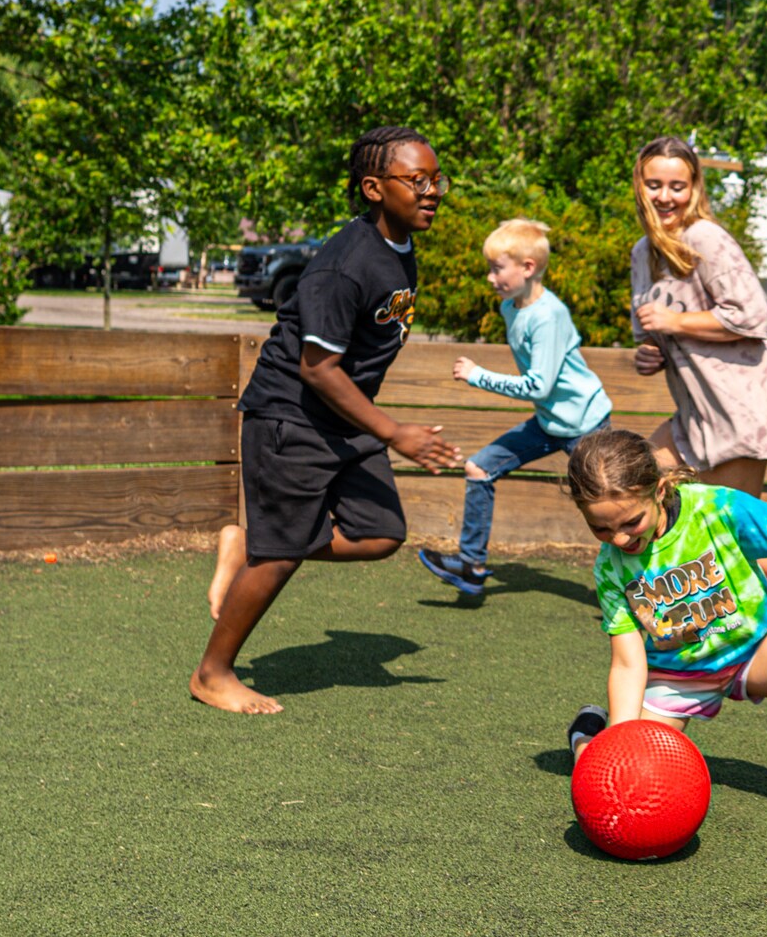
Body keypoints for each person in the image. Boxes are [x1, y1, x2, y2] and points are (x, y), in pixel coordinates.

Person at [195, 127, 462, 715]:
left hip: (343, 421)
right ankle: (213, 673)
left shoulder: (397, 249)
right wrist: (394, 431)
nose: (432, 190)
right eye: (416, 180)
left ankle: (249, 547)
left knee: (381, 533)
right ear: (374, 188)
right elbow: (317, 368)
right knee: (283, 555)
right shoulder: (343, 265)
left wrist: (375, 428)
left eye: (436, 178)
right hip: (291, 417)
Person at [561, 428, 767, 839]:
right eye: (601, 530)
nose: (620, 539)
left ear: (660, 490)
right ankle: (587, 739)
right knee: (627, 771)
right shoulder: (609, 569)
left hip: (754, 650)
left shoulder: (714, 508)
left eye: (631, 522)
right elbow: (628, 662)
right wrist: (624, 745)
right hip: (676, 679)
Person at [416, 217, 613, 597]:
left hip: (586, 424)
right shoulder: (512, 306)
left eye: (496, 268)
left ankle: (646, 581)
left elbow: (539, 384)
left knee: (608, 503)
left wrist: (477, 375)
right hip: (549, 422)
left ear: (528, 268)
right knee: (478, 467)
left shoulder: (548, 316)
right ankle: (471, 565)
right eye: (490, 268)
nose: (490, 278)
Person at [627, 137, 767, 495]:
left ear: (693, 190)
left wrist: (674, 323)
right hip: (694, 415)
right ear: (639, 187)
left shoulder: (705, 238)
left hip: (737, 413)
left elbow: (753, 317)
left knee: (736, 533)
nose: (665, 196)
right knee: (638, 487)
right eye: (654, 185)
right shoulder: (643, 252)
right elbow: (649, 333)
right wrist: (649, 354)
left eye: (677, 187)